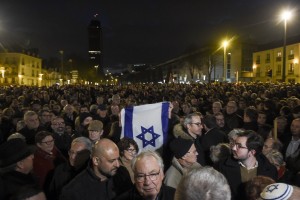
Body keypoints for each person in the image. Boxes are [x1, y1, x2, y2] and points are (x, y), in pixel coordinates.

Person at [60, 138, 132, 200]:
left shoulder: (122, 173)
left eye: (118, 159)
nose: (117, 165)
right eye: (112, 161)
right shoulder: (73, 190)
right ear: (96, 161)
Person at [218, 130, 277, 199]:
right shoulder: (222, 166)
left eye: (239, 146)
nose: (233, 148)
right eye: (234, 144)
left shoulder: (270, 170)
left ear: (252, 152)